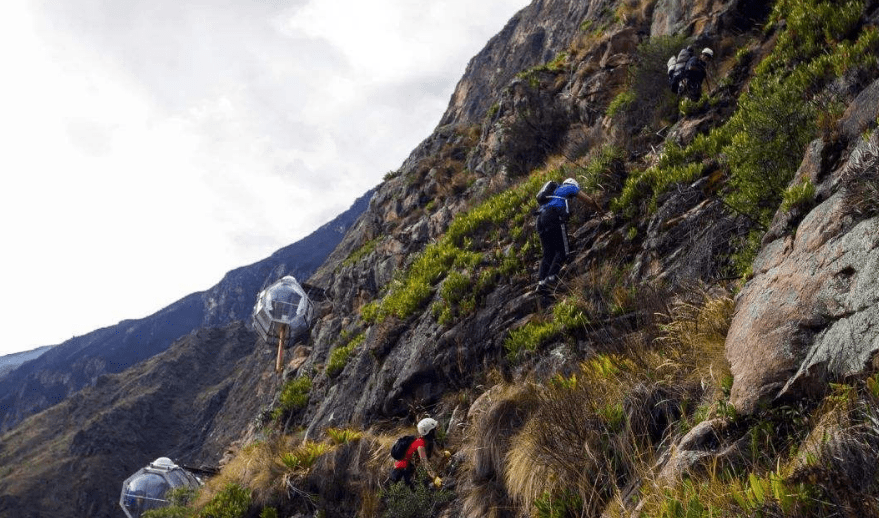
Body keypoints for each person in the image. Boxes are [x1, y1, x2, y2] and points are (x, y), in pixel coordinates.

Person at [536, 178, 599, 294]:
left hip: (539, 219)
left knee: (548, 253)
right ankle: (551, 280)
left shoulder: (553, 193)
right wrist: (599, 210)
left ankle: (541, 283)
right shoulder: (569, 187)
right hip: (554, 216)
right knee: (563, 252)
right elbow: (589, 201)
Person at [390, 417, 442, 488]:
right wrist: (435, 477)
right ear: (430, 432)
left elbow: (437, 454)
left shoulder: (428, 442)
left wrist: (444, 455)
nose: (436, 431)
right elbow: (425, 463)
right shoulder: (420, 444)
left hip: (406, 471)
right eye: (434, 429)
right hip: (401, 473)